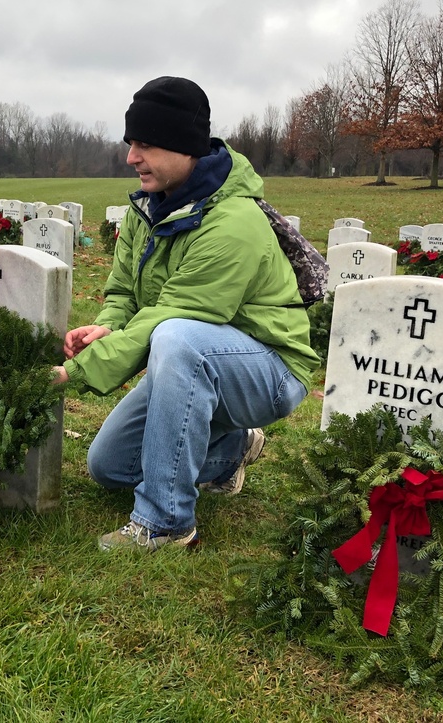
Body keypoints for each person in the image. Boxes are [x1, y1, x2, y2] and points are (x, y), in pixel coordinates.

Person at [52, 76, 319, 551]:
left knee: (178, 336)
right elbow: (125, 293)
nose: (132, 157)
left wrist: (72, 372)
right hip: (189, 358)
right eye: (131, 143)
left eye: (147, 144)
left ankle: (166, 523)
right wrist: (109, 325)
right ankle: (232, 448)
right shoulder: (147, 209)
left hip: (270, 368)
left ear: (186, 148)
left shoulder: (232, 223)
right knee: (108, 466)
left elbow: (174, 315)